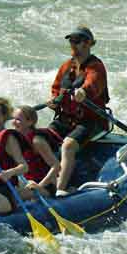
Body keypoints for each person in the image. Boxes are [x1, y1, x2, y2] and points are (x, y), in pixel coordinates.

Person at [47, 25, 109, 195]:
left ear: (88, 43)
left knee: (68, 145)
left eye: (77, 41)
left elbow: (93, 84)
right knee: (40, 139)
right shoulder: (67, 66)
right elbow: (56, 87)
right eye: (71, 41)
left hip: (90, 121)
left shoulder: (96, 67)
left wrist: (84, 92)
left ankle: (60, 188)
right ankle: (42, 179)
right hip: (66, 119)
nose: (73, 45)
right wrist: (53, 99)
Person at [12, 105, 61, 199]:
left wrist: (40, 186)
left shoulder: (37, 141)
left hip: (45, 187)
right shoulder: (18, 139)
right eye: (13, 119)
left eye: (18, 119)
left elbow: (56, 166)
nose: (13, 123)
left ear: (29, 122)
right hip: (28, 183)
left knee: (14, 197)